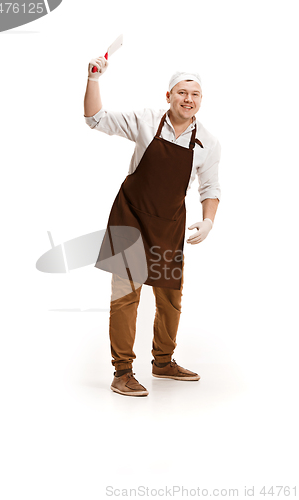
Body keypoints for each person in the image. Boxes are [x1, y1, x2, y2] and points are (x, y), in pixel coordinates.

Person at [84, 55, 221, 397]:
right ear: (169, 96)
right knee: (126, 297)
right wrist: (94, 79)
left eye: (196, 94)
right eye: (182, 92)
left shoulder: (208, 143)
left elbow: (211, 188)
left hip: (169, 224)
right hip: (131, 218)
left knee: (171, 297)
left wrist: (208, 221)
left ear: (201, 100)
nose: (188, 99)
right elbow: (95, 118)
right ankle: (123, 372)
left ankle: (163, 362)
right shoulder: (146, 121)